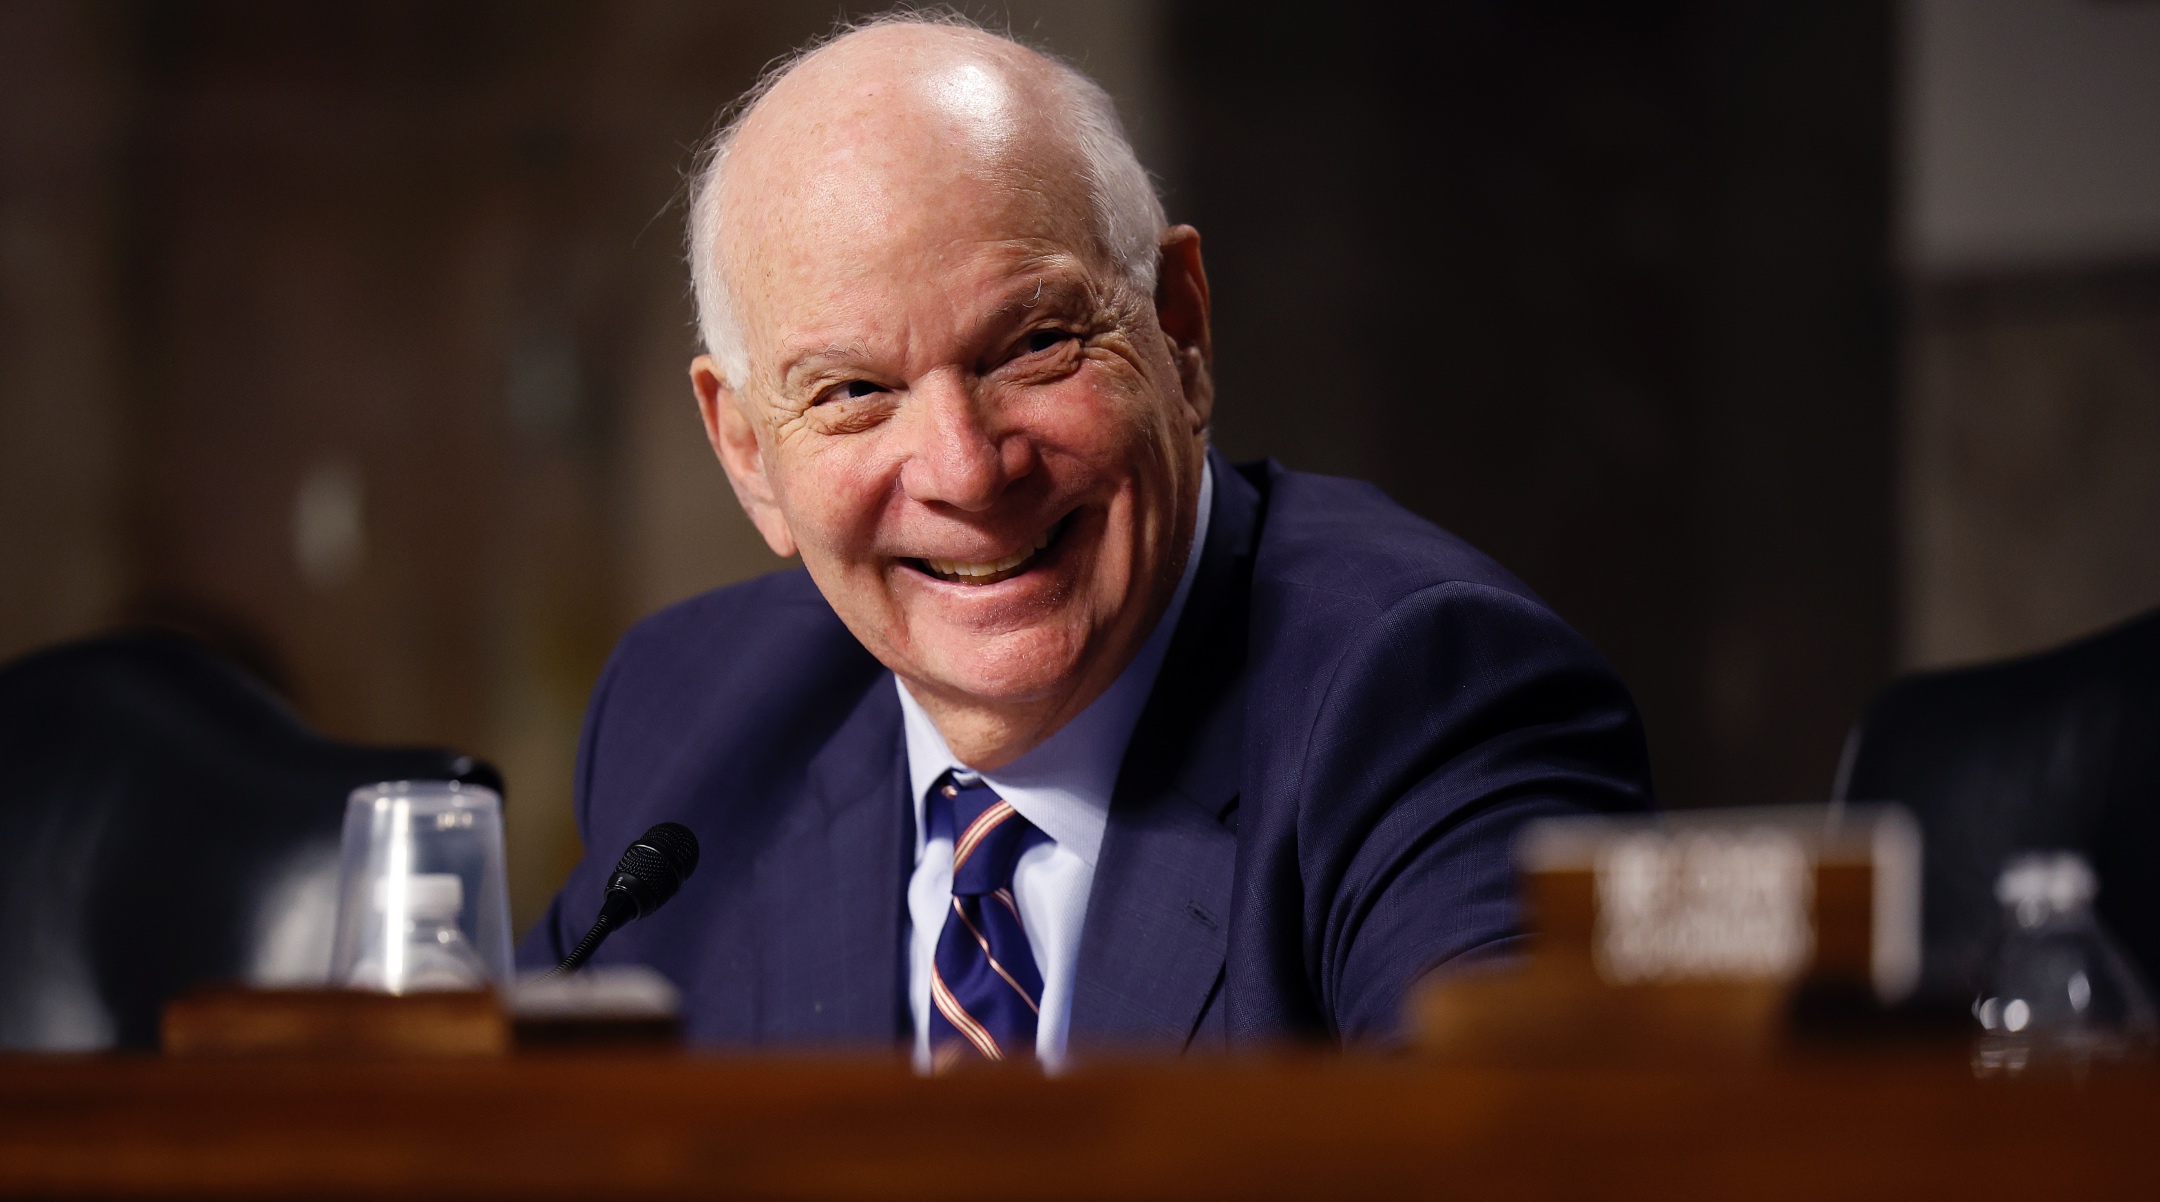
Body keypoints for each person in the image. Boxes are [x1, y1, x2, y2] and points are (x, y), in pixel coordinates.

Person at [519, 14, 1652, 1065]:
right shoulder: (692, 713)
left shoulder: (1421, 700)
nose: (965, 469)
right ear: (748, 452)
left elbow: (1524, 1154)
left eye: (1033, 345)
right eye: (856, 389)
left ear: (1181, 331)